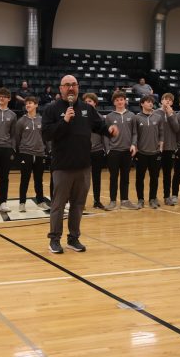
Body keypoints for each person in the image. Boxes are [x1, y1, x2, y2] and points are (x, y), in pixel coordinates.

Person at [42, 75, 118, 254]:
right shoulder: (51, 109)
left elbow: (99, 126)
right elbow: (46, 134)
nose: (71, 88)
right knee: (58, 205)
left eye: (74, 85)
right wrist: (64, 121)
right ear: (60, 88)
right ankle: (54, 239)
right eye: (67, 85)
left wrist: (109, 131)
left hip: (83, 166)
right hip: (62, 166)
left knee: (78, 205)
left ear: (78, 87)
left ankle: (73, 238)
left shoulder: (87, 108)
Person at [104, 90, 139, 210]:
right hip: (113, 151)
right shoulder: (109, 117)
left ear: (125, 101)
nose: (120, 102)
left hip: (127, 151)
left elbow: (135, 133)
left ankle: (125, 201)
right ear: (114, 102)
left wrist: (134, 144)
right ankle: (113, 201)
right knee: (113, 177)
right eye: (117, 100)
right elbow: (105, 135)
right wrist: (108, 149)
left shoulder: (132, 116)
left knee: (125, 177)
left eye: (121, 99)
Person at [15, 96, 48, 212]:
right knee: (24, 179)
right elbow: (17, 138)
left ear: (36, 105)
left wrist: (45, 149)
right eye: (26, 103)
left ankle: (40, 201)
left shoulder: (42, 120)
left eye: (30, 103)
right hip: (26, 153)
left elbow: (45, 137)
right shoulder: (21, 121)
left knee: (39, 179)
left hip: (39, 153)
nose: (28, 105)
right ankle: (22, 203)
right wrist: (21, 151)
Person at [133, 95, 164, 209]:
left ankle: (152, 199)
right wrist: (135, 146)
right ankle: (140, 199)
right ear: (142, 104)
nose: (150, 104)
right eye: (148, 102)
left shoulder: (158, 117)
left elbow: (161, 132)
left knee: (154, 178)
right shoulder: (137, 118)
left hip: (155, 153)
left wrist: (161, 143)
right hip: (141, 153)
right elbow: (134, 134)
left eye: (152, 102)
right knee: (139, 178)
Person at [83, 93, 106, 209]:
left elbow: (104, 136)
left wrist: (106, 150)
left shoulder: (100, 118)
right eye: (86, 102)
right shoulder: (79, 117)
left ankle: (97, 201)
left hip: (97, 151)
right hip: (83, 152)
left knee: (97, 178)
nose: (88, 103)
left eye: (90, 101)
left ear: (95, 103)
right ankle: (80, 202)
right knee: (83, 179)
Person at [155, 93, 179, 206]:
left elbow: (177, 128)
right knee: (155, 174)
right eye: (166, 99)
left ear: (172, 103)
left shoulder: (174, 114)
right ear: (161, 101)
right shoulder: (155, 113)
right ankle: (153, 197)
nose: (168, 101)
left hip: (169, 148)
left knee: (167, 174)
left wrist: (170, 115)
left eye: (170, 100)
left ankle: (167, 196)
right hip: (157, 149)